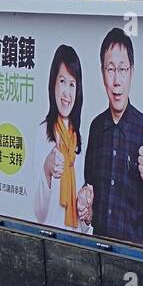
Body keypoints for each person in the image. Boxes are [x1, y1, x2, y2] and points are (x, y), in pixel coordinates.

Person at [79, 28, 143, 246]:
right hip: (99, 253)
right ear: (102, 72)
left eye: (122, 69)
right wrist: (87, 209)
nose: (116, 80)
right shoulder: (96, 128)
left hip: (136, 259)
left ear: (132, 72)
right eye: (110, 69)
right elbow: (91, 192)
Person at [33, 45, 88, 230]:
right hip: (49, 240)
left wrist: (87, 210)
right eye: (62, 81)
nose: (67, 93)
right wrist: (47, 170)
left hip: (76, 241)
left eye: (72, 84)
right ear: (53, 84)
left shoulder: (79, 139)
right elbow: (38, 213)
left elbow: (85, 225)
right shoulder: (43, 133)